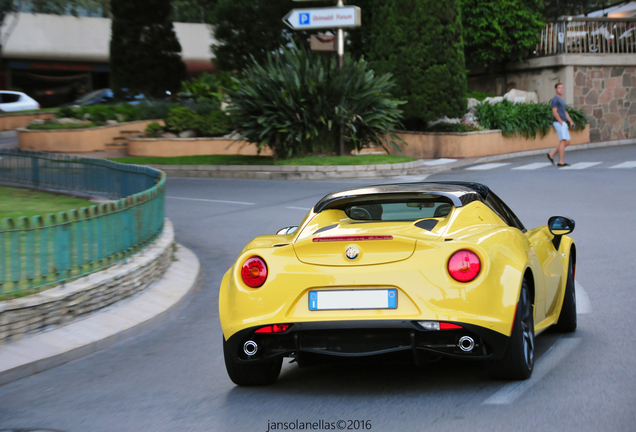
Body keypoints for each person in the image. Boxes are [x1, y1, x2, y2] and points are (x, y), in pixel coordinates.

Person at [547, 83, 575, 167]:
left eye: (562, 88)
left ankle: (552, 154)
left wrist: (570, 121)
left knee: (567, 141)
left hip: (563, 122)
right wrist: (561, 123)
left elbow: (564, 112)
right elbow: (554, 112)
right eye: (559, 88)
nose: (561, 89)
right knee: (563, 141)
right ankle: (560, 162)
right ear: (556, 89)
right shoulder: (555, 99)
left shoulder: (562, 99)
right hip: (559, 122)